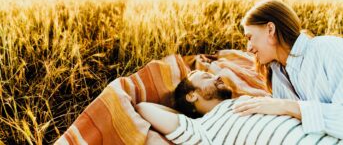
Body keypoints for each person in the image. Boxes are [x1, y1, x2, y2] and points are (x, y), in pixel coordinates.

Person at [232, 0, 343, 139]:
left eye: (250, 37)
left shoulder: (330, 50)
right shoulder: (277, 75)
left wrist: (288, 106)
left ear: (270, 30)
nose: (248, 48)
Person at [136, 70, 341, 144]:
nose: (217, 76)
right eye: (206, 77)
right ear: (192, 96)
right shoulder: (202, 130)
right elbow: (144, 107)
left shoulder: (252, 99)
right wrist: (188, 116)